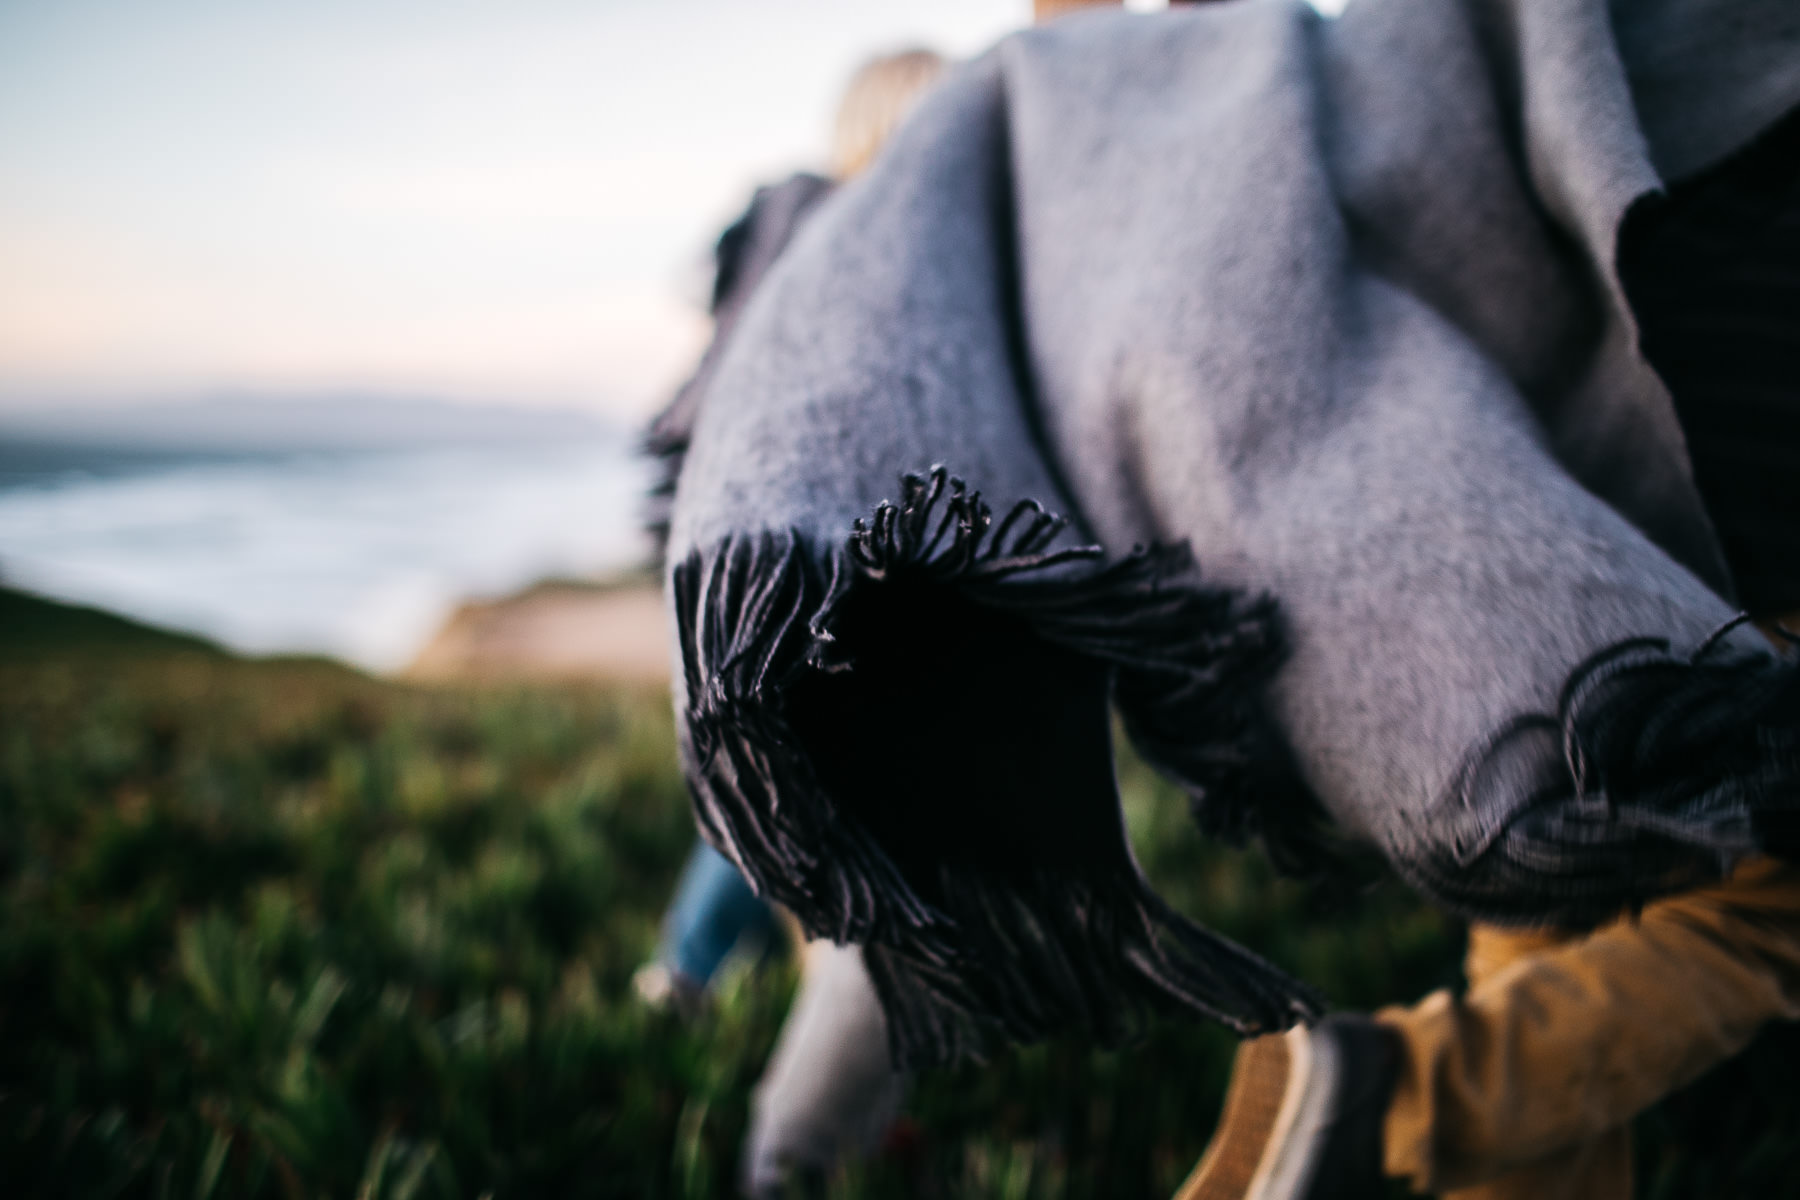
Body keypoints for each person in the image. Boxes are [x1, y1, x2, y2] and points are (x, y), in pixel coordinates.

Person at [633, 46, 950, 1197]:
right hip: (811, 590)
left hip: (751, 572)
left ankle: (698, 991)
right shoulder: (858, 245)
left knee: (775, 809)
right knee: (855, 852)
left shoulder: (791, 228)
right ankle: (801, 1147)